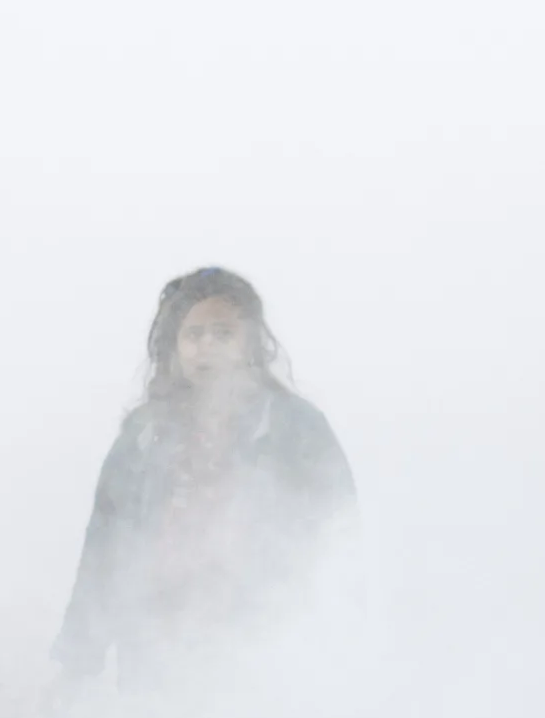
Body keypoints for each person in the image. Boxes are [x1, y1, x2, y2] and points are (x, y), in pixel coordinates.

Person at [52, 267, 357, 686]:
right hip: (154, 653)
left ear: (250, 343)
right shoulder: (144, 435)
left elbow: (337, 537)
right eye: (193, 335)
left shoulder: (294, 428)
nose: (206, 347)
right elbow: (105, 547)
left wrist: (334, 644)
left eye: (222, 333)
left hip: (262, 654)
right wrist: (77, 661)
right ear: (174, 348)